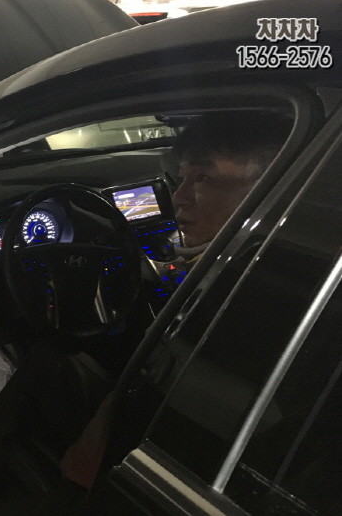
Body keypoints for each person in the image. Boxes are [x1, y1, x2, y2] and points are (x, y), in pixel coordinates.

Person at [61, 111, 293, 489]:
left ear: (274, 186)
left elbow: (140, 408)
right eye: (180, 178)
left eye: (203, 178)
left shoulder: (239, 297)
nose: (178, 198)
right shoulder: (274, 269)